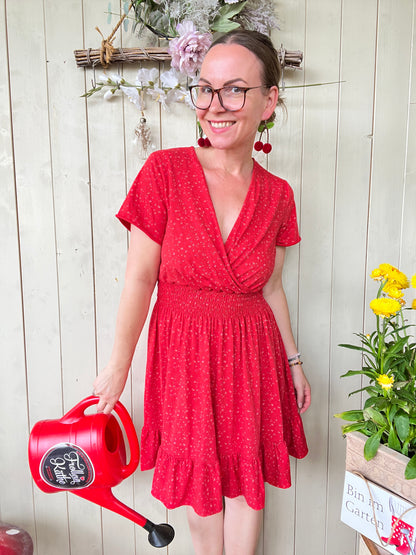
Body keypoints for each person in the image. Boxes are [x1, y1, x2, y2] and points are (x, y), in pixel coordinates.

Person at [93, 29, 311, 555]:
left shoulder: (278, 196)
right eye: (205, 89)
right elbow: (141, 279)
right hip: (186, 357)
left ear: (269, 100)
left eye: (234, 89)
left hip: (253, 355)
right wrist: (117, 370)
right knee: (202, 494)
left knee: (246, 489)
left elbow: (272, 287)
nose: (215, 105)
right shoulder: (165, 172)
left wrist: (294, 361)